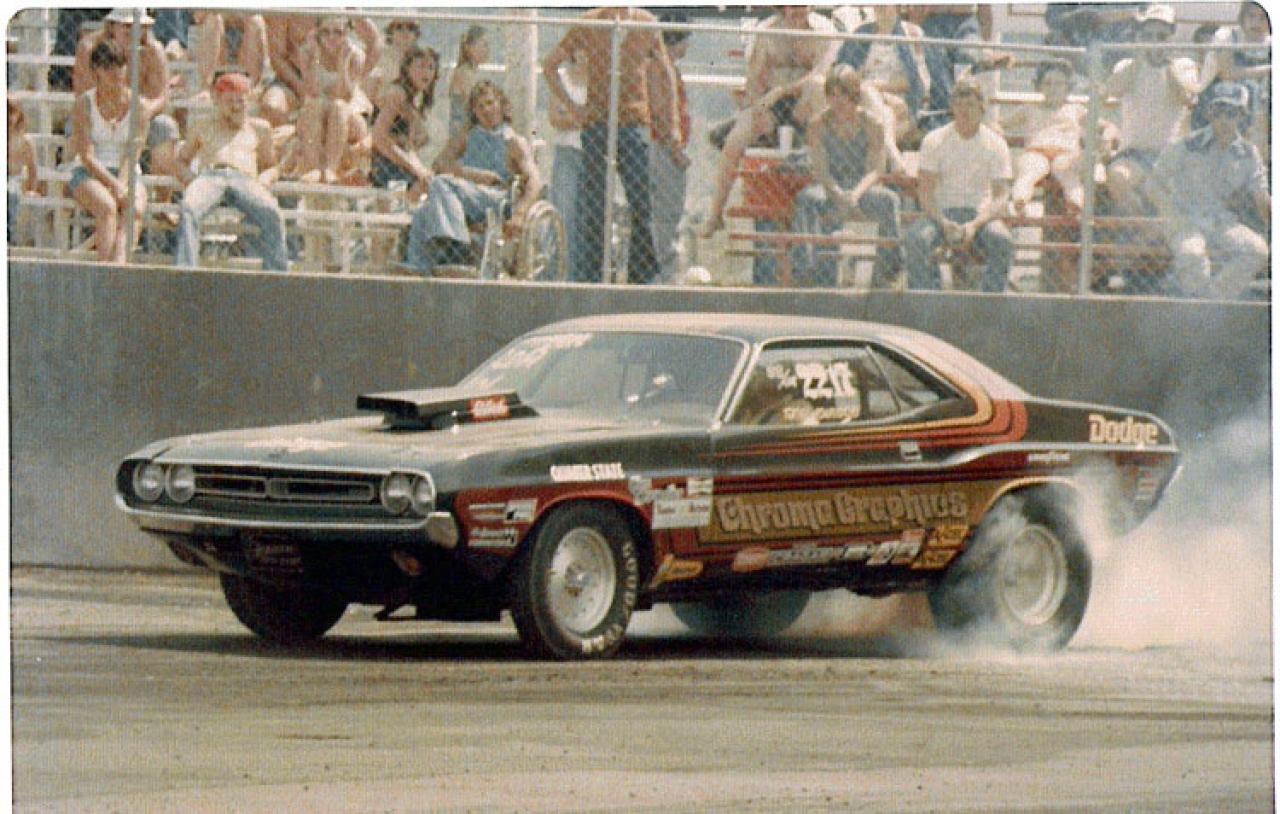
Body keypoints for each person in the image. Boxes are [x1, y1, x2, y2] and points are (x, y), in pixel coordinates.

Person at [543, 7, 677, 284]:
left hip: (633, 124)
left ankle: (641, 277)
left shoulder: (646, 23)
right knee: (594, 204)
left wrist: (670, 123)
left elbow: (665, 73)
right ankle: (593, 276)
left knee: (641, 200)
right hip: (597, 123)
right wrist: (574, 108)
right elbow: (550, 65)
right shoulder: (589, 22)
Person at [702, 7, 837, 236]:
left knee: (817, 86)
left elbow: (821, 73)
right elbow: (754, 76)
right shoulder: (766, 30)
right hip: (772, 103)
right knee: (735, 139)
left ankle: (830, 195)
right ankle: (715, 215)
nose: (796, 10)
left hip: (806, 104)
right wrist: (758, 108)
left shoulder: (825, 30)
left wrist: (783, 91)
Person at [403, 81, 543, 276]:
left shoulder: (513, 142)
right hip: (463, 194)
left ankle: (456, 250)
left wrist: (519, 213)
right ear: (474, 112)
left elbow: (535, 181)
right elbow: (440, 164)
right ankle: (418, 268)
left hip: (495, 197)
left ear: (501, 105)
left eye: (490, 103)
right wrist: (474, 175)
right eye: (480, 106)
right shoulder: (467, 137)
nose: (486, 110)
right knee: (423, 211)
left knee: (442, 183)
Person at [1146, 81, 1269, 300]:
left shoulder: (1248, 154)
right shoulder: (1188, 145)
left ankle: (1211, 301)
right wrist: (1171, 214)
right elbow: (1153, 184)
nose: (1223, 119)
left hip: (1223, 223)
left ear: (1242, 116)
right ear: (1209, 113)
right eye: (1218, 111)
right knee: (1192, 254)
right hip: (1187, 221)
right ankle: (1202, 306)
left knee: (1256, 250)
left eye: (1231, 112)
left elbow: (1261, 195)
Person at [790, 65, 900, 288]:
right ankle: (808, 271)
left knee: (889, 200)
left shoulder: (872, 124)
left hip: (863, 188)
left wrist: (854, 195)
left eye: (844, 95)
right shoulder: (818, 124)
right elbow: (821, 170)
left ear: (854, 95)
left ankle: (887, 272)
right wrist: (838, 193)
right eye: (832, 95)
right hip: (829, 188)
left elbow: (876, 170)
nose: (838, 101)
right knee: (807, 199)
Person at [903, 78, 1012, 292]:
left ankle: (990, 303)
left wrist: (975, 225)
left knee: (1002, 240)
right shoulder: (934, 140)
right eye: (959, 105)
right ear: (952, 107)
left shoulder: (996, 143)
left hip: (979, 214)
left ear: (982, 108)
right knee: (916, 239)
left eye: (970, 104)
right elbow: (925, 192)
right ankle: (926, 300)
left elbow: (1001, 196)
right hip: (941, 213)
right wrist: (944, 223)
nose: (964, 111)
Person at [173, 70, 288, 272]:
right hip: (211, 176)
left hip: (245, 179)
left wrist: (265, 179)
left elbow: (271, 165)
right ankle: (185, 273)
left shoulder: (259, 128)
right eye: (229, 101)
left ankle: (276, 277)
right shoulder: (203, 124)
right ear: (218, 100)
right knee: (189, 208)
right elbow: (181, 160)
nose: (235, 106)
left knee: (272, 213)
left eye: (240, 101)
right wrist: (191, 180)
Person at [69, 41, 161, 263]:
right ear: (95, 70)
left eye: (119, 65)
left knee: (134, 210)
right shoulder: (84, 104)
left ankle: (119, 268)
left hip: (126, 172)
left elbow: (133, 153)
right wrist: (115, 185)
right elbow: (87, 156)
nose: (115, 72)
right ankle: (106, 271)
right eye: (107, 66)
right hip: (89, 173)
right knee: (107, 207)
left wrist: (121, 183)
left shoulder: (139, 106)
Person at [1101, 4, 1199, 215]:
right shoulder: (1127, 65)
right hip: (1134, 155)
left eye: (1161, 36)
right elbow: (1111, 91)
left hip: (1171, 156)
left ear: (1171, 37)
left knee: (1167, 197)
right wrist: (1140, 55)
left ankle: (1156, 229)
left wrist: (1166, 62)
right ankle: (1147, 229)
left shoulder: (1184, 65)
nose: (1155, 40)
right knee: (1117, 177)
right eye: (1148, 35)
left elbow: (1187, 98)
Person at [287, 14, 380, 183]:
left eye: (338, 32)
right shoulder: (307, 52)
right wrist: (316, 58)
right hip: (318, 112)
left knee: (338, 106)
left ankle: (330, 169)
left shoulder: (355, 55)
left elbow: (344, 95)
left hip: (350, 115)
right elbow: (312, 92)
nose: (331, 37)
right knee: (315, 105)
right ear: (317, 33)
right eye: (326, 32)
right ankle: (315, 170)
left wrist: (342, 63)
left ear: (347, 33)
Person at [836, 5, 930, 160]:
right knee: (884, 112)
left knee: (868, 92)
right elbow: (845, 73)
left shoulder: (911, 33)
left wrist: (876, 86)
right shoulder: (862, 33)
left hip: (898, 99)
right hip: (865, 99)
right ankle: (892, 155)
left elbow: (917, 81)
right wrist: (865, 84)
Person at [1004, 60, 1090, 213]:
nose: (1053, 88)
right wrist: (997, 130)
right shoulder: (1029, 109)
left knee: (1069, 176)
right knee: (1028, 173)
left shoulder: (1076, 109)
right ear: (1039, 86)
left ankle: (1076, 205)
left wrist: (1108, 133)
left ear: (1068, 87)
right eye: (1047, 83)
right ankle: (1020, 201)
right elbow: (1001, 123)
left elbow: (1102, 125)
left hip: (1066, 153)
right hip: (1037, 151)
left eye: (1059, 84)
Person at [1193, 2, 1271, 162]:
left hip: (1253, 107)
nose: (1256, 23)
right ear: (1242, 18)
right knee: (1250, 88)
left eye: (1262, 18)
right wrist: (1270, 69)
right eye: (1251, 16)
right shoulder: (1227, 36)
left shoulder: (1270, 43)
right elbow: (1227, 73)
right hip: (1216, 100)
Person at [648, 16, 692, 283]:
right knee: (665, 212)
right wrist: (674, 148)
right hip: (663, 149)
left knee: (670, 212)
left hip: (670, 147)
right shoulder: (658, 68)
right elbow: (659, 111)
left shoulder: (669, 68)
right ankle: (664, 273)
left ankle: (665, 270)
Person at [371, 46, 439, 205]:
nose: (426, 73)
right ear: (407, 68)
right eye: (420, 66)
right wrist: (414, 168)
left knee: (427, 181)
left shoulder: (413, 101)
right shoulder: (397, 94)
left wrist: (420, 168)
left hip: (397, 162)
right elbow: (378, 136)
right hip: (383, 162)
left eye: (431, 67)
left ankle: (401, 212)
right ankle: (397, 212)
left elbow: (409, 147)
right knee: (416, 187)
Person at [546, 44, 590, 267]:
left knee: (586, 216)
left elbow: (601, 116)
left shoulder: (599, 81)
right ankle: (561, 269)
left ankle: (583, 270)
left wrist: (573, 118)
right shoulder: (562, 78)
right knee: (564, 212)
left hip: (592, 154)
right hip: (567, 152)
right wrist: (583, 120)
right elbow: (555, 118)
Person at [262, 14, 318, 128]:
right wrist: (301, 88)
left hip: (329, 78)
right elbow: (277, 58)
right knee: (271, 107)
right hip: (293, 77)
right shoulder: (283, 10)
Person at [193, 13, 269, 95]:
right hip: (219, 36)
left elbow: (268, 18)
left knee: (255, 21)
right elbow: (198, 16)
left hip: (247, 36)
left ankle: (250, 88)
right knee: (213, 19)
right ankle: (206, 88)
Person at [366, 18, 421, 108]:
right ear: (391, 32)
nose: (405, 32)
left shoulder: (421, 59)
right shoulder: (380, 55)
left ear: (416, 34)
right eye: (399, 27)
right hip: (379, 108)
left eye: (410, 28)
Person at [447, 26, 489, 141]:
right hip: (463, 134)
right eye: (483, 45)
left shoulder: (471, 72)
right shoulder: (464, 73)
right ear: (469, 48)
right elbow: (474, 104)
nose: (487, 50)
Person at [8, 100, 39, 244]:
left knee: (11, 193)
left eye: (11, 113)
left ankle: (9, 235)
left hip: (14, 180)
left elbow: (33, 169)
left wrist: (31, 189)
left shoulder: (25, 141)